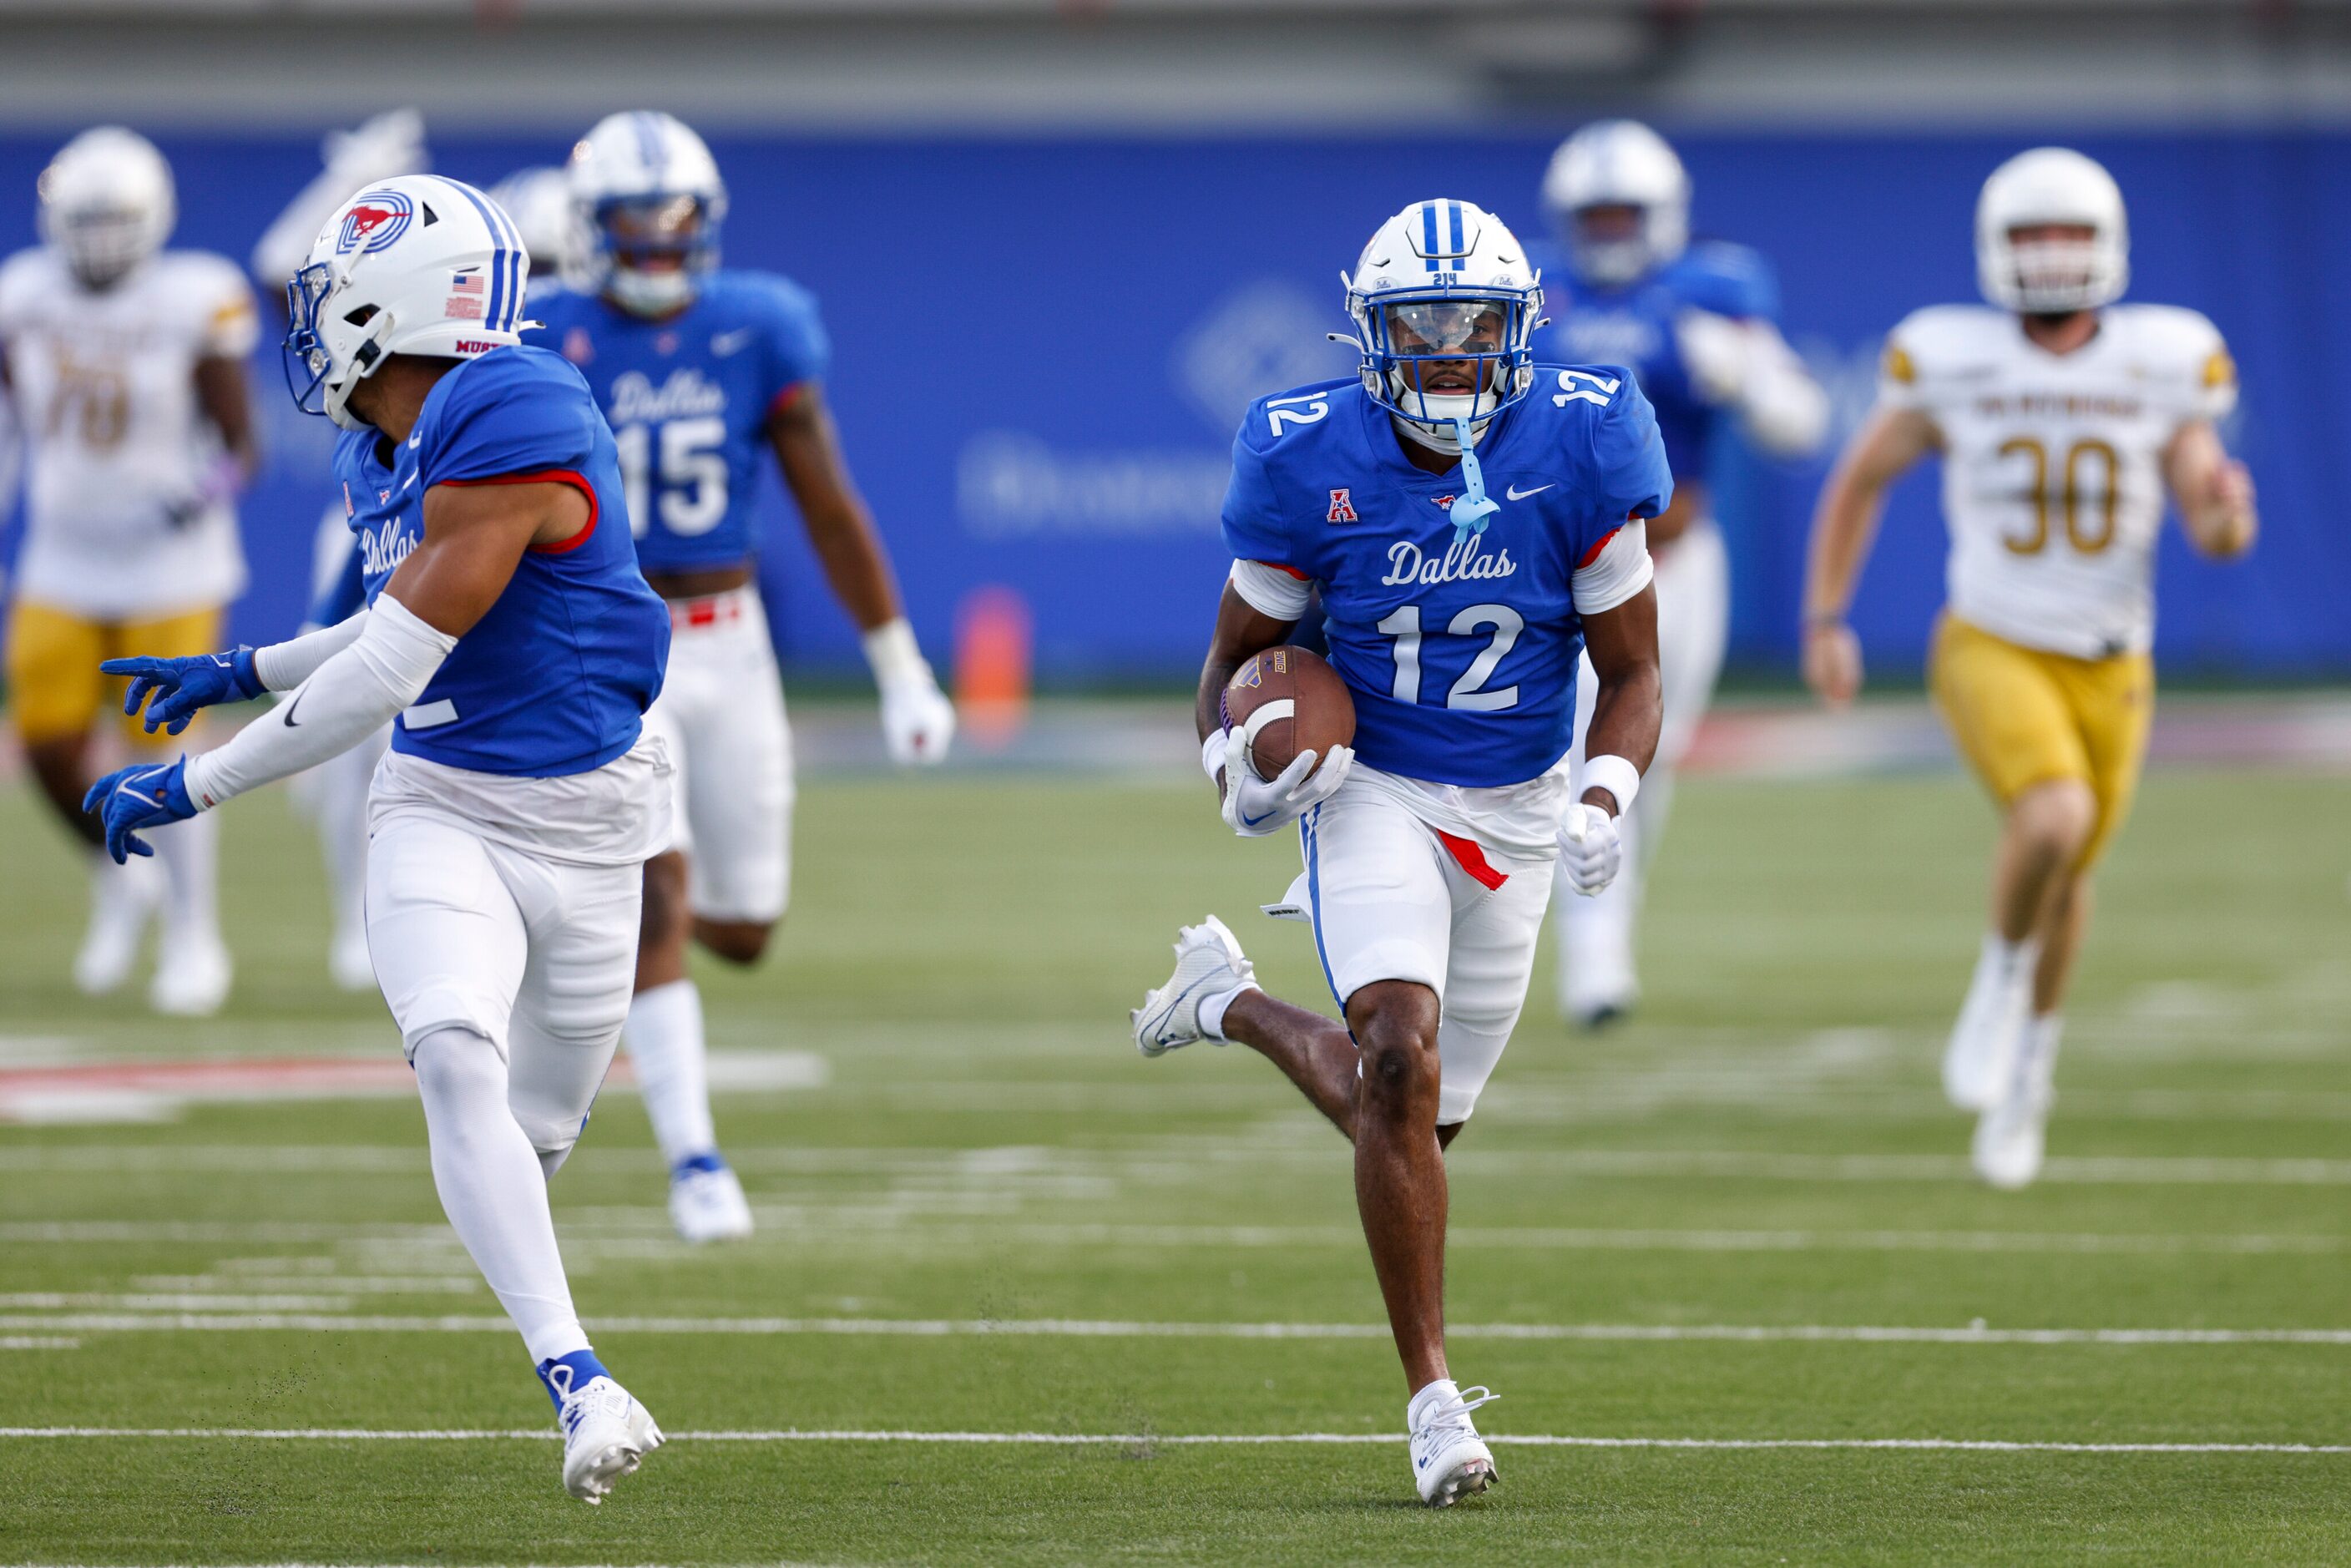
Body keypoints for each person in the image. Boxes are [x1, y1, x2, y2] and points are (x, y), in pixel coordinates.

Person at [87, 175, 674, 1501]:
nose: (311, 325)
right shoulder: (386, 443)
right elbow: (384, 613)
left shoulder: (509, 405)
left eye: (329, 296)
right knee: (454, 1061)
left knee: (533, 1142)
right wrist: (238, 667)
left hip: (591, 821)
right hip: (445, 801)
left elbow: (394, 661)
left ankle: (562, 1324)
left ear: (391, 301)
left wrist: (196, 785)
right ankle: (579, 1378)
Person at [1132, 200, 1666, 1505]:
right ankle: (1433, 1399)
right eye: (1417, 331)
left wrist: (1604, 793)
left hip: (1522, 801)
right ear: (1369, 337)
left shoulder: (1587, 432)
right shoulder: (1307, 449)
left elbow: (1637, 668)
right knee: (1396, 1052)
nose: (1446, 356)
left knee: (1422, 1118)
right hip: (1372, 783)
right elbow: (1227, 662)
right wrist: (1228, 763)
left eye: (1473, 327)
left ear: (1519, 329)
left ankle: (1233, 1003)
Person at [528, 112, 955, 1243]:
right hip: (607, 636)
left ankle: (581, 916)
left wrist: (897, 663)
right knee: (659, 887)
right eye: (638, 225)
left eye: (679, 226)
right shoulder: (540, 337)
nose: (662, 247)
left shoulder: (760, 323)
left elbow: (826, 498)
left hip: (733, 634)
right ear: (589, 229)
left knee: (746, 924)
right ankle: (696, 1160)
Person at [1802, 148, 2257, 1188]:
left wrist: (2226, 515)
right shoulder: (1952, 356)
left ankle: (2028, 1078)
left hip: (2113, 662)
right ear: (1994, 249)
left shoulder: (2164, 357)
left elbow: (2208, 515)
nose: (2050, 257)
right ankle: (1998, 979)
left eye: (2067, 235)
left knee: (2072, 872)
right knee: (2050, 820)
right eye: (2030, 236)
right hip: (1990, 639)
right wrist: (1826, 615)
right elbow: (1858, 478)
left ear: (2106, 245)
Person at [1536, 119, 1830, 1026]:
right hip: (1558, 565)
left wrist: (1737, 368)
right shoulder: (1533, 301)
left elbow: (1799, 423)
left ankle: (1596, 941)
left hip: (1674, 560)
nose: (1611, 232)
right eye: (1596, 215)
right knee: (1568, 754)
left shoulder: (1711, 296)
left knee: (1637, 758)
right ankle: (1590, 956)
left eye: (1627, 213)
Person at [0, 126, 259, 1014]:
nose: (103, 238)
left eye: (118, 220)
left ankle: (195, 936)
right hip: (61, 558)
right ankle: (121, 879)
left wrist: (202, 492)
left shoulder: (198, 295)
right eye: (87, 220)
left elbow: (241, 447)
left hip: (170, 566)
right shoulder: (22, 293)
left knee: (163, 751)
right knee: (42, 743)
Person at [253, 109, 431, 992]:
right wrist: (344, 181)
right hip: (373, 524)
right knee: (348, 745)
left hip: (458, 521)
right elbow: (277, 273)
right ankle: (356, 919)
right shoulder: (362, 299)